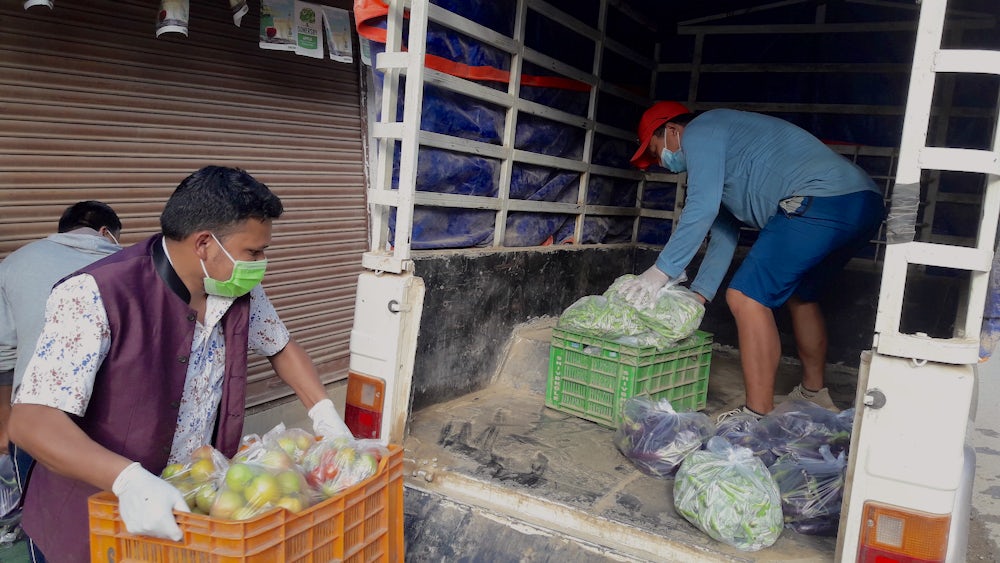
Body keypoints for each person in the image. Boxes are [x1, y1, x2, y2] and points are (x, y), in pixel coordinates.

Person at [8, 166, 353, 562]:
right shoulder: (96, 295)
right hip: (95, 515)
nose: (261, 264)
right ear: (204, 243)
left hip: (188, 506)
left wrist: (325, 416)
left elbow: (281, 347)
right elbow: (31, 421)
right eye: (253, 253)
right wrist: (128, 480)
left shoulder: (237, 291)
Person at [620, 101, 885, 422]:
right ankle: (814, 395)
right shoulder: (721, 154)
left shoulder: (701, 131)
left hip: (822, 198)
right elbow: (724, 233)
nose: (660, 162)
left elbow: (700, 208)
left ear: (673, 131)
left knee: (745, 297)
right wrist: (697, 297)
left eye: (656, 150)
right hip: (862, 202)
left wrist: (659, 272)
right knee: (802, 296)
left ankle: (756, 415)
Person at [0, 201, 122, 562]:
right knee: (116, 518)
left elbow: (4, 356)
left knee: (46, 518)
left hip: (37, 419)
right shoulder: (131, 265)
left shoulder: (14, 264)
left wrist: (5, 423)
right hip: (114, 418)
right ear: (106, 233)